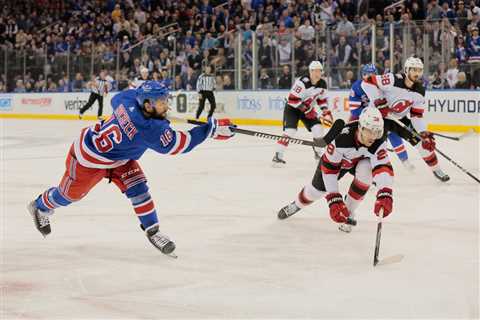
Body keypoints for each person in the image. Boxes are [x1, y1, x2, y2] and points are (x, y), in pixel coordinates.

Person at [27, 81, 236, 256]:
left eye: (165, 101)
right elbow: (181, 143)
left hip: (120, 158)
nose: (166, 106)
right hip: (88, 158)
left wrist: (156, 117)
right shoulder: (149, 130)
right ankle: (40, 205)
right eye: (161, 102)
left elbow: (123, 98)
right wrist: (211, 129)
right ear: (147, 104)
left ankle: (153, 232)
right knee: (68, 196)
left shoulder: (127, 99)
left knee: (139, 189)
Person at [277, 107, 394, 233]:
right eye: (370, 131)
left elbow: (383, 167)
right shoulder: (341, 139)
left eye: (377, 132)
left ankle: (348, 212)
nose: (373, 136)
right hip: (336, 164)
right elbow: (329, 171)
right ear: (361, 127)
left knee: (367, 170)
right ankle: (297, 205)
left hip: (358, 162)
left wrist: (385, 191)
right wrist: (333, 198)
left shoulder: (378, 140)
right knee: (315, 191)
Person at [361, 56, 450, 182]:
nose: (417, 73)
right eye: (414, 70)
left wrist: (423, 132)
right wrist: (378, 100)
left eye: (419, 70)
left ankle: (436, 169)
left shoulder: (420, 91)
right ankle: (372, 176)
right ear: (407, 70)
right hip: (380, 118)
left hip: (399, 119)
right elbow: (367, 82)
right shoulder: (392, 79)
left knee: (422, 143)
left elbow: (416, 115)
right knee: (376, 146)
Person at [349, 64, 414, 170]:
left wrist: (389, 109)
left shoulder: (381, 84)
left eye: (372, 74)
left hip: (382, 115)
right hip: (364, 117)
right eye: (366, 74)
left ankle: (405, 160)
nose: (369, 77)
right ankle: (354, 158)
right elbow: (354, 110)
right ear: (362, 75)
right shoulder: (356, 87)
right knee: (358, 135)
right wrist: (371, 113)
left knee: (392, 133)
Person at [272, 61, 332, 166]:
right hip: (292, 108)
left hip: (307, 109)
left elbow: (321, 100)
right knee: (290, 131)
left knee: (318, 128)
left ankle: (318, 153)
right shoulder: (302, 82)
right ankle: (278, 155)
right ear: (310, 71)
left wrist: (325, 112)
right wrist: (306, 110)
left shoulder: (323, 84)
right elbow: (292, 99)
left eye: (319, 71)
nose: (317, 73)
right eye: (314, 71)